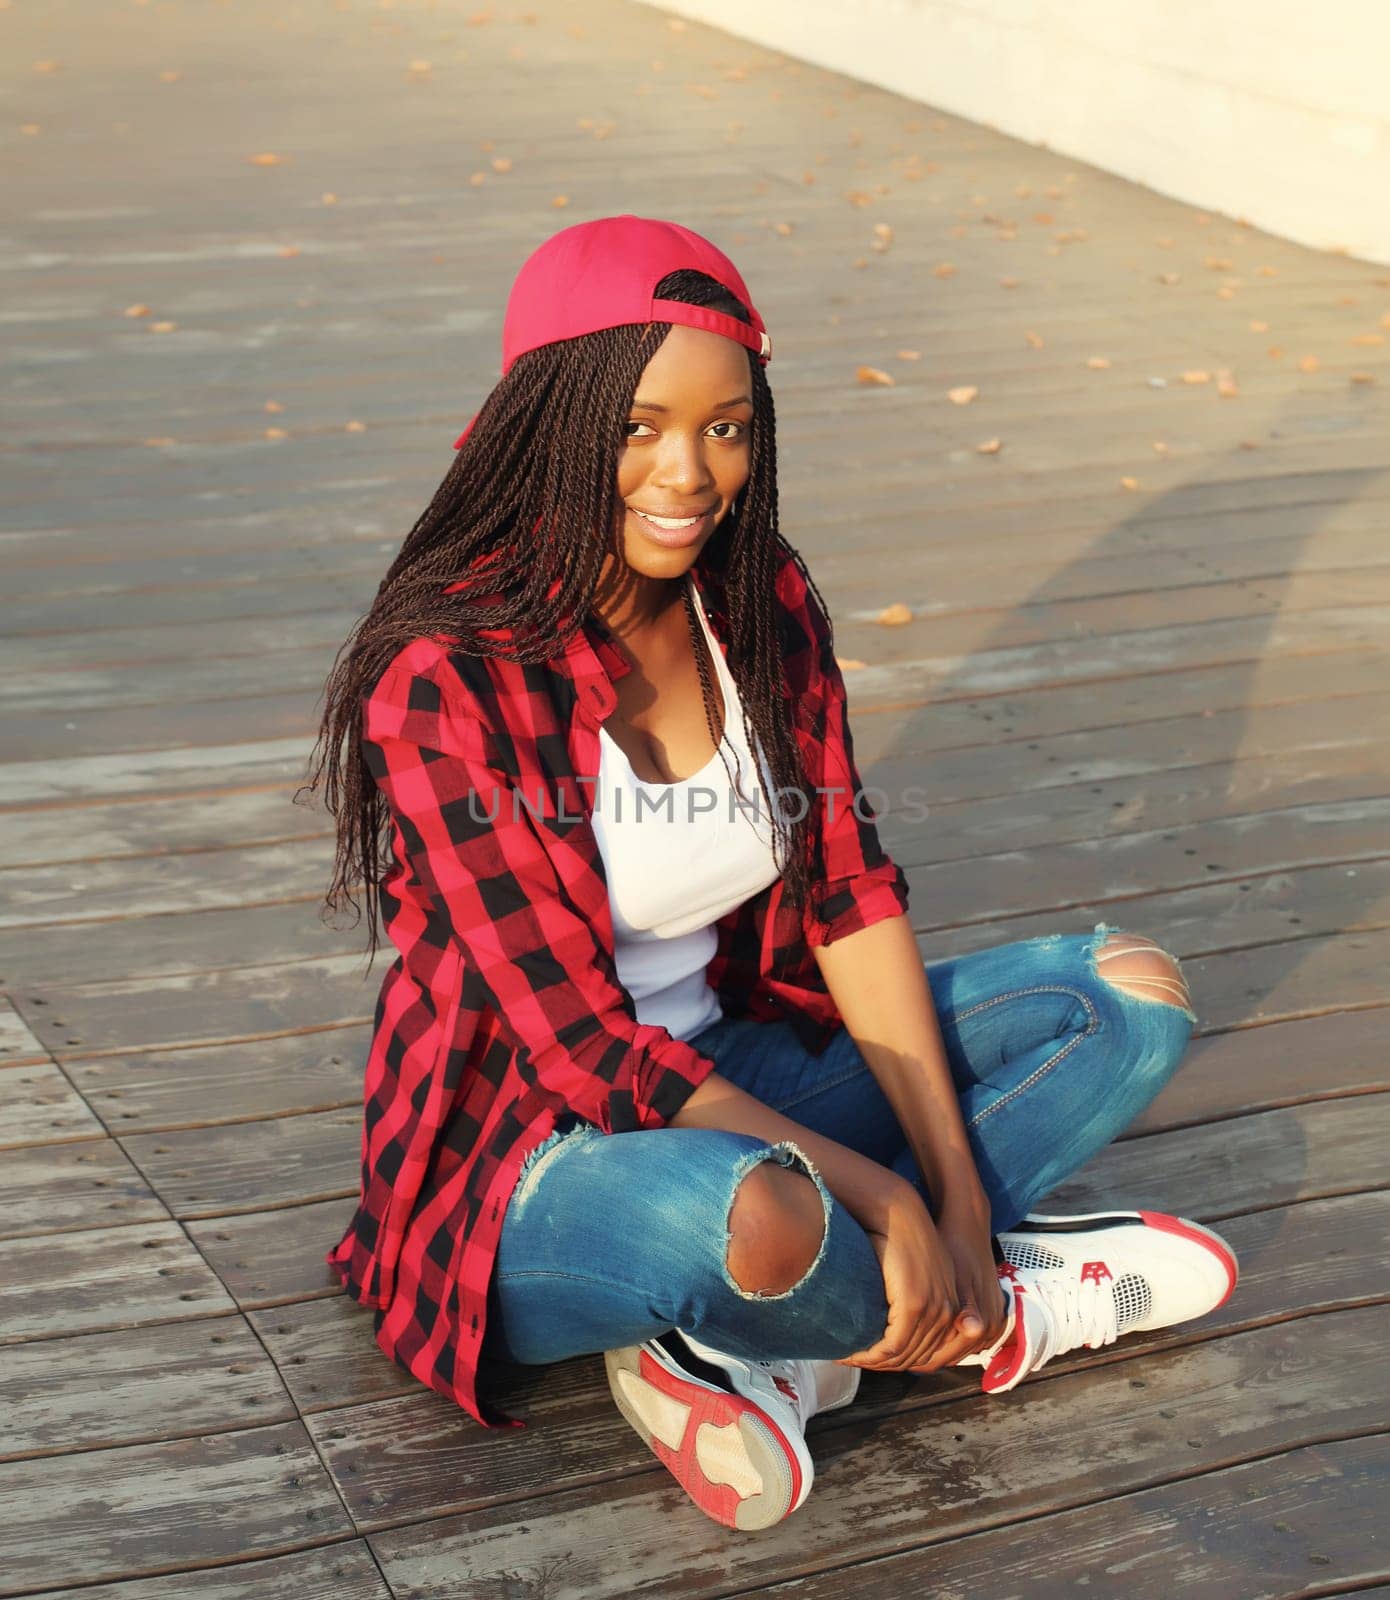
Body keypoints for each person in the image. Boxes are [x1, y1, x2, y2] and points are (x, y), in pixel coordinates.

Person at [302, 214, 1238, 1534]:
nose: (689, 473)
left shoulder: (757, 603)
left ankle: (775, 1345)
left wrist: (950, 1200)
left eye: (726, 427)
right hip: (531, 1159)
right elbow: (579, 1048)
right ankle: (974, 1310)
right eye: (636, 427)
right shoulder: (444, 677)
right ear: (547, 422)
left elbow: (848, 886)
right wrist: (878, 1189)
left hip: (742, 1069)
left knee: (1122, 1002)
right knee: (760, 1217)